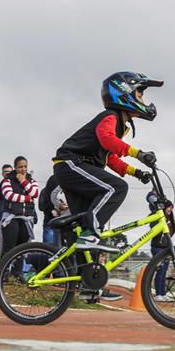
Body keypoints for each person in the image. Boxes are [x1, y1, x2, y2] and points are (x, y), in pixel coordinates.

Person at [52, 72, 160, 250]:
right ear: (125, 93)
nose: (143, 99)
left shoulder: (119, 125)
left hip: (76, 168)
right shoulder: (110, 116)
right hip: (71, 164)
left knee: (84, 229)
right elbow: (107, 139)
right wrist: (138, 153)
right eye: (140, 94)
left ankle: (77, 270)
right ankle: (89, 236)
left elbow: (110, 157)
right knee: (117, 188)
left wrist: (136, 172)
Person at [0, 156, 40, 257]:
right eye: (20, 167)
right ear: (15, 168)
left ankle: (18, 272)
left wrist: (23, 181)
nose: (23, 169)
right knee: (9, 247)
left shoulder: (32, 181)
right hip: (11, 217)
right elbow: (9, 195)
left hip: (27, 218)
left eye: (25, 166)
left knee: (22, 249)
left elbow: (35, 193)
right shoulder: (7, 181)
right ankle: (6, 271)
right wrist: (27, 199)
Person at [146, 187, 175, 302]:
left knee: (164, 271)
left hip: (166, 248)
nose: (170, 210)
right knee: (160, 270)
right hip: (157, 247)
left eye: (171, 208)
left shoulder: (170, 219)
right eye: (168, 207)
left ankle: (163, 293)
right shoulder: (157, 216)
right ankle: (158, 293)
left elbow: (173, 229)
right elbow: (152, 226)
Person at [0, 164, 12, 247]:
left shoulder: (19, 185)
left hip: (16, 218)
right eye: (5, 172)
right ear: (2, 174)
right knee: (5, 246)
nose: (7, 174)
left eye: (9, 172)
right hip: (2, 219)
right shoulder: (0, 189)